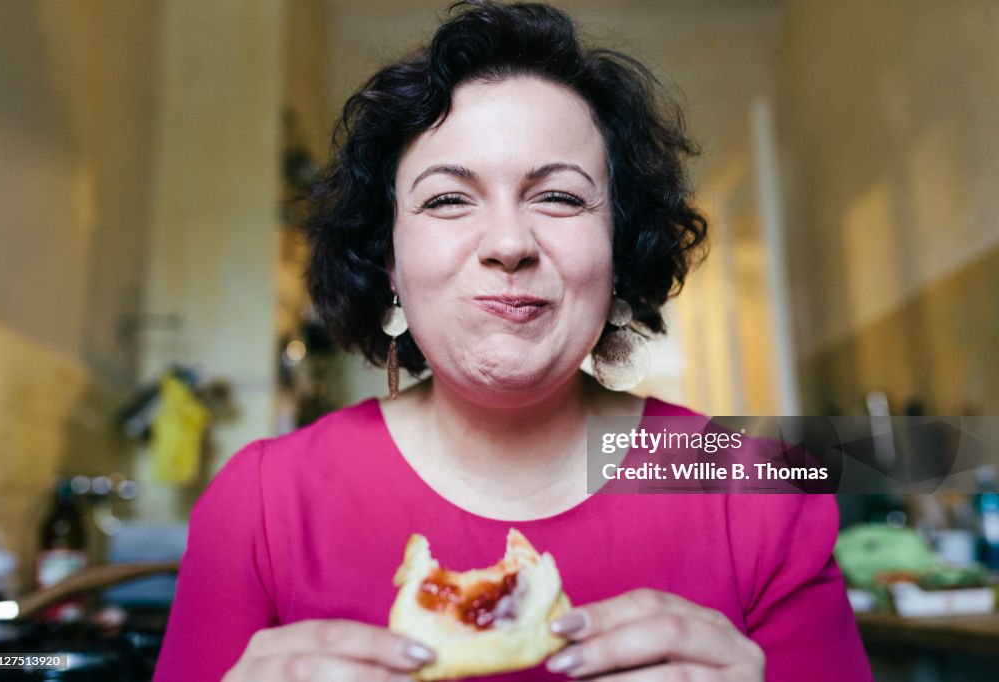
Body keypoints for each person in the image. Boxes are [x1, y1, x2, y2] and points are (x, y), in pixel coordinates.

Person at [154, 2, 872, 680]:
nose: (507, 243)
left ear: (619, 250)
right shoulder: (259, 505)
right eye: (446, 199)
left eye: (559, 196)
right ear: (389, 263)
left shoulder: (754, 491)